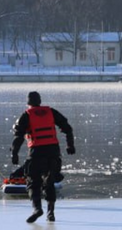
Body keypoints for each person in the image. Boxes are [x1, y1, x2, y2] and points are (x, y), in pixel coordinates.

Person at [10, 91, 75, 223]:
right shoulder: (51, 111)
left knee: (32, 182)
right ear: (40, 101)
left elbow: (18, 137)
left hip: (36, 151)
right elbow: (67, 128)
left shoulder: (26, 115)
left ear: (28, 103)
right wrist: (70, 145)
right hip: (53, 151)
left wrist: (14, 153)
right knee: (49, 181)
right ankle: (50, 213)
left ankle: (37, 209)